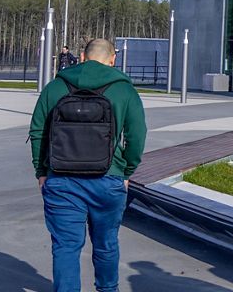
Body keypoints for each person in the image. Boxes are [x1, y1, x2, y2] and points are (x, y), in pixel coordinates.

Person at [29, 38, 146, 292]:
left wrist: (41, 171)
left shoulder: (56, 86)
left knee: (65, 247)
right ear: (113, 59)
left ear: (81, 57)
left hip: (61, 178)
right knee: (106, 244)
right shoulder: (124, 90)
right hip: (108, 179)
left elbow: (38, 130)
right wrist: (126, 171)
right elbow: (137, 136)